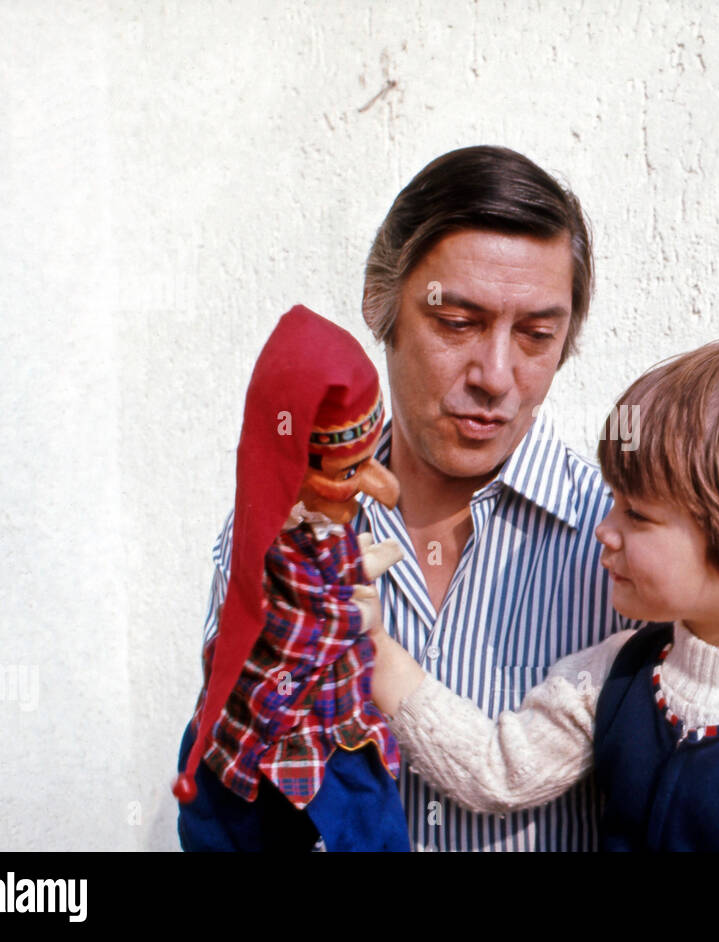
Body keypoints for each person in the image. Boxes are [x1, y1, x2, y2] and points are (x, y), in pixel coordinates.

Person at [190, 146, 641, 851]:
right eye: (457, 323)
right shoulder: (282, 538)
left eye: (536, 335)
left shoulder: (621, 547)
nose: (495, 376)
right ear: (381, 305)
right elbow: (241, 773)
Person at [361, 338, 719, 851]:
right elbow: (495, 772)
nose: (604, 526)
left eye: (637, 514)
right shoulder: (615, 673)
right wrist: (377, 646)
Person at [175, 305, 411, 851]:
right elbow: (310, 633)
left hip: (325, 725)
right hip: (293, 734)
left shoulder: (322, 529)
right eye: (349, 472)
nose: (378, 486)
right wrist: (359, 609)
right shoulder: (269, 546)